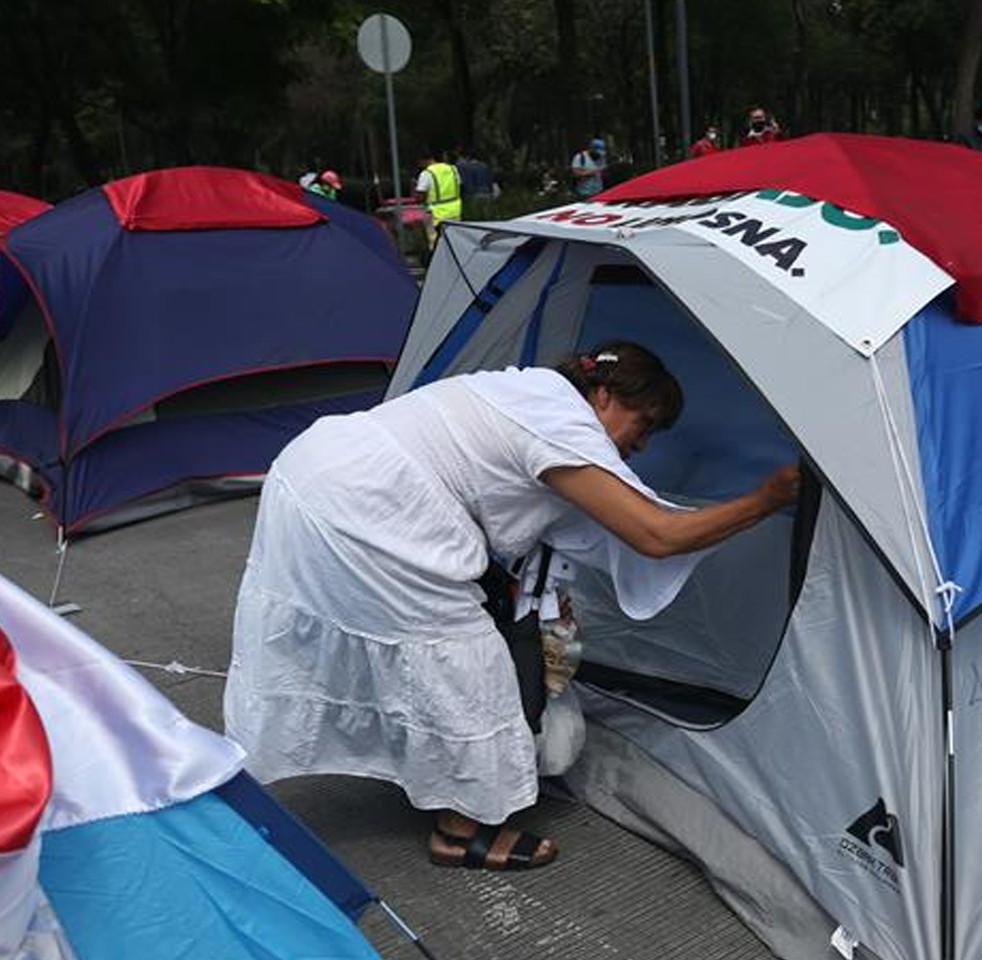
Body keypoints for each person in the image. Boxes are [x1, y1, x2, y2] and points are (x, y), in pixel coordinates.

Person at [223, 343, 800, 872]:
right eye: (643, 423)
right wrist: (766, 498)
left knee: (394, 646)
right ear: (602, 395)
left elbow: (517, 504)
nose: (641, 444)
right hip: (373, 506)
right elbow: (657, 537)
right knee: (462, 663)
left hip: (315, 469)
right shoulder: (561, 426)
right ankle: (461, 831)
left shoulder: (521, 392)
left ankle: (426, 779)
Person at [415, 149, 463, 228]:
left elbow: (420, 196)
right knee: (454, 238)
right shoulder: (453, 169)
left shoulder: (427, 173)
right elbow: (459, 186)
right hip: (455, 212)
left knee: (437, 239)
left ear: (425, 160)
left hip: (436, 215)